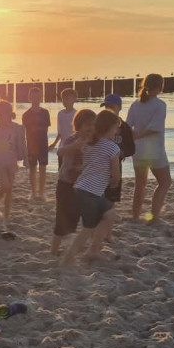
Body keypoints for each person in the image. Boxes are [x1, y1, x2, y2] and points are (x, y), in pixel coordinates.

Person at [63, 110, 122, 266]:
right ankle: (68, 258)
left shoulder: (90, 144)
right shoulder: (112, 147)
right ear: (110, 128)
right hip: (90, 192)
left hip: (86, 189)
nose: (116, 132)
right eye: (116, 128)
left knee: (109, 214)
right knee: (88, 227)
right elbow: (116, 174)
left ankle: (93, 250)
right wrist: (114, 183)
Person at [127, 74, 171, 223]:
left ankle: (135, 215)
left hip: (138, 150)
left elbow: (127, 126)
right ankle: (154, 215)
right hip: (154, 150)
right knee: (165, 182)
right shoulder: (160, 105)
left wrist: (135, 136)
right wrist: (139, 136)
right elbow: (155, 128)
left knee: (140, 183)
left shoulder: (135, 104)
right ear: (160, 88)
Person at [52, 108, 96, 255]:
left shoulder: (94, 142)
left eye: (93, 124)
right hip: (66, 184)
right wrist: (73, 147)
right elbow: (59, 152)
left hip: (84, 185)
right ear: (79, 125)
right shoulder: (72, 139)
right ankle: (54, 249)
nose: (91, 128)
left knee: (86, 217)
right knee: (62, 219)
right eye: (88, 124)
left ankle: (91, 248)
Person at [0, 99, 26, 233]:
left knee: (9, 190)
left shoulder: (17, 128)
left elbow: (22, 144)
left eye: (1, 115)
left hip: (11, 162)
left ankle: (7, 215)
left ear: (9, 114)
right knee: (5, 186)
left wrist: (25, 158)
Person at [99, 94, 136, 207]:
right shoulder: (97, 124)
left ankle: (108, 211)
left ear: (119, 107)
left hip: (115, 165)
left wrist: (123, 153)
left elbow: (131, 148)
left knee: (112, 194)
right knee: (98, 192)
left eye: (112, 106)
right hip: (99, 165)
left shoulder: (124, 127)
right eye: (107, 107)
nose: (109, 109)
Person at [23, 87, 51, 201]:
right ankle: (34, 192)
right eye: (34, 97)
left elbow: (46, 129)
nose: (36, 99)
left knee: (43, 168)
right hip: (31, 145)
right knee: (33, 169)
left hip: (43, 143)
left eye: (38, 97)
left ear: (41, 98)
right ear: (30, 98)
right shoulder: (26, 114)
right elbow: (26, 131)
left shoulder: (45, 113)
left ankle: (42, 192)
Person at [50, 88, 78, 153]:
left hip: (73, 148)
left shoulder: (76, 114)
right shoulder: (60, 114)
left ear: (74, 100)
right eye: (63, 99)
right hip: (62, 147)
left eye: (67, 99)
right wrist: (54, 144)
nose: (64, 101)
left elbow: (78, 133)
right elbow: (60, 133)